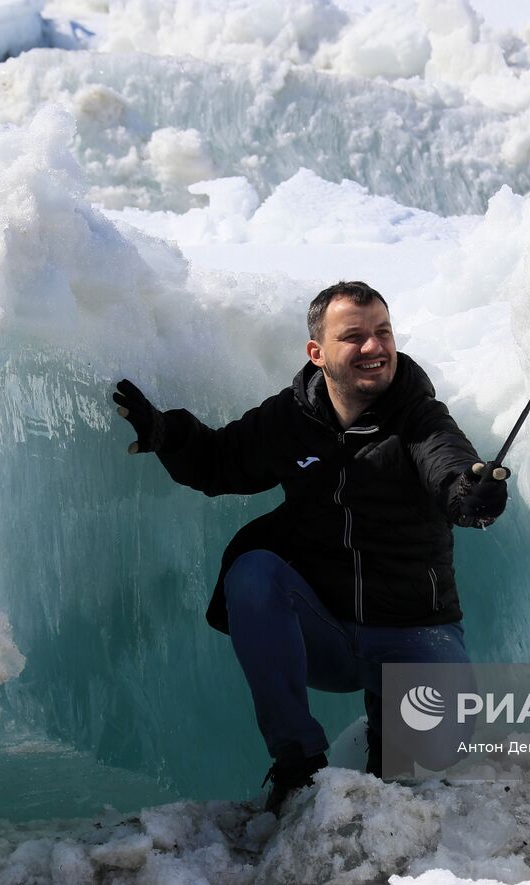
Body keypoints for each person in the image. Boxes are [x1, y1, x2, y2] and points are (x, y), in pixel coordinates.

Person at [114, 280, 508, 813]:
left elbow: (450, 468)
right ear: (317, 353)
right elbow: (220, 462)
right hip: (326, 633)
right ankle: (298, 764)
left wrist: (471, 494)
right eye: (355, 336)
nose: (375, 347)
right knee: (252, 574)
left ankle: (387, 729)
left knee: (435, 749)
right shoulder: (291, 418)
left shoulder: (419, 416)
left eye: (383, 332)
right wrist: (171, 435)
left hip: (413, 629)